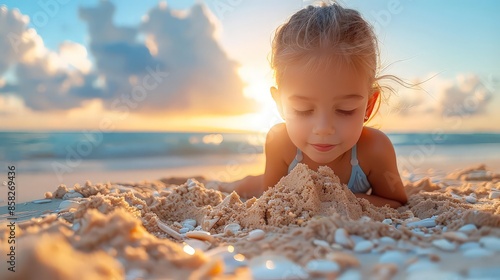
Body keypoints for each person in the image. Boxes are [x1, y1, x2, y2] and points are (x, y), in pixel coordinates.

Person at [219, 1, 408, 208]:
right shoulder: (280, 143)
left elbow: (396, 202)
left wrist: (331, 196)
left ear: (369, 106)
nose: (323, 128)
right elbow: (270, 198)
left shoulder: (375, 149)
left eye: (345, 110)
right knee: (247, 185)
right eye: (303, 110)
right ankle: (232, 182)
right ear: (280, 105)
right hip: (257, 182)